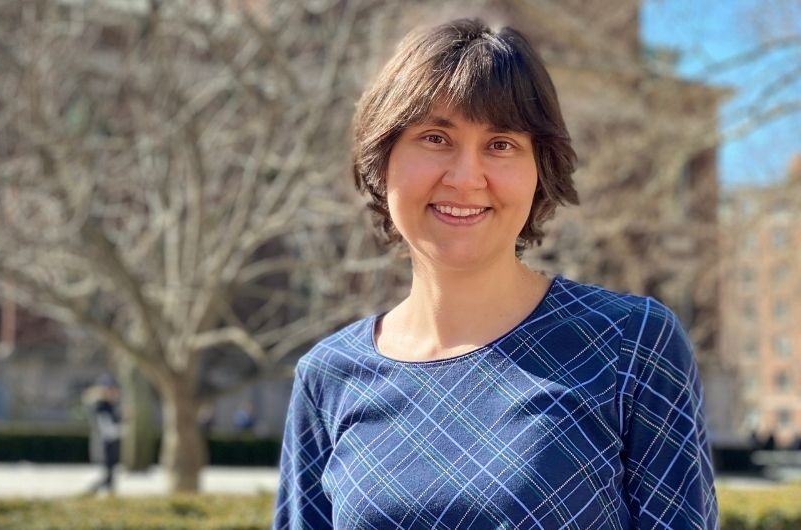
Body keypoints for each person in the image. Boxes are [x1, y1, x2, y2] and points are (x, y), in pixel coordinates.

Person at [273, 19, 718, 529]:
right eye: (435, 137)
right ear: (382, 161)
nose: (465, 178)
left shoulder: (629, 344)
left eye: (501, 144)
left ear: (539, 172)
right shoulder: (327, 376)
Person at [85, 374, 122, 495]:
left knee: (111, 476)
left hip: (111, 444)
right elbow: (107, 429)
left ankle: (109, 497)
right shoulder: (101, 406)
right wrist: (124, 428)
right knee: (107, 475)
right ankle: (90, 493)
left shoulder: (110, 406)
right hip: (104, 444)